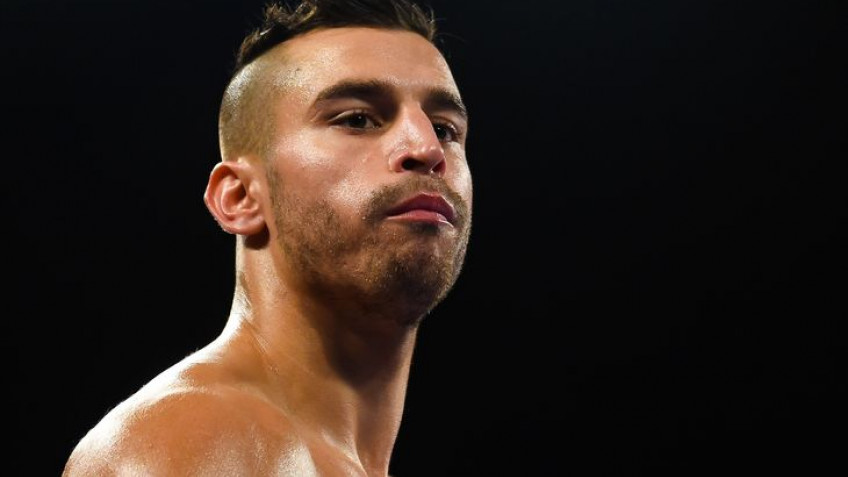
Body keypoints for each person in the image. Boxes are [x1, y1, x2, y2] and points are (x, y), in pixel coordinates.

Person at [62, 0, 472, 475]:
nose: (426, 149)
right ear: (240, 198)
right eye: (357, 119)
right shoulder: (191, 441)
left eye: (445, 128)